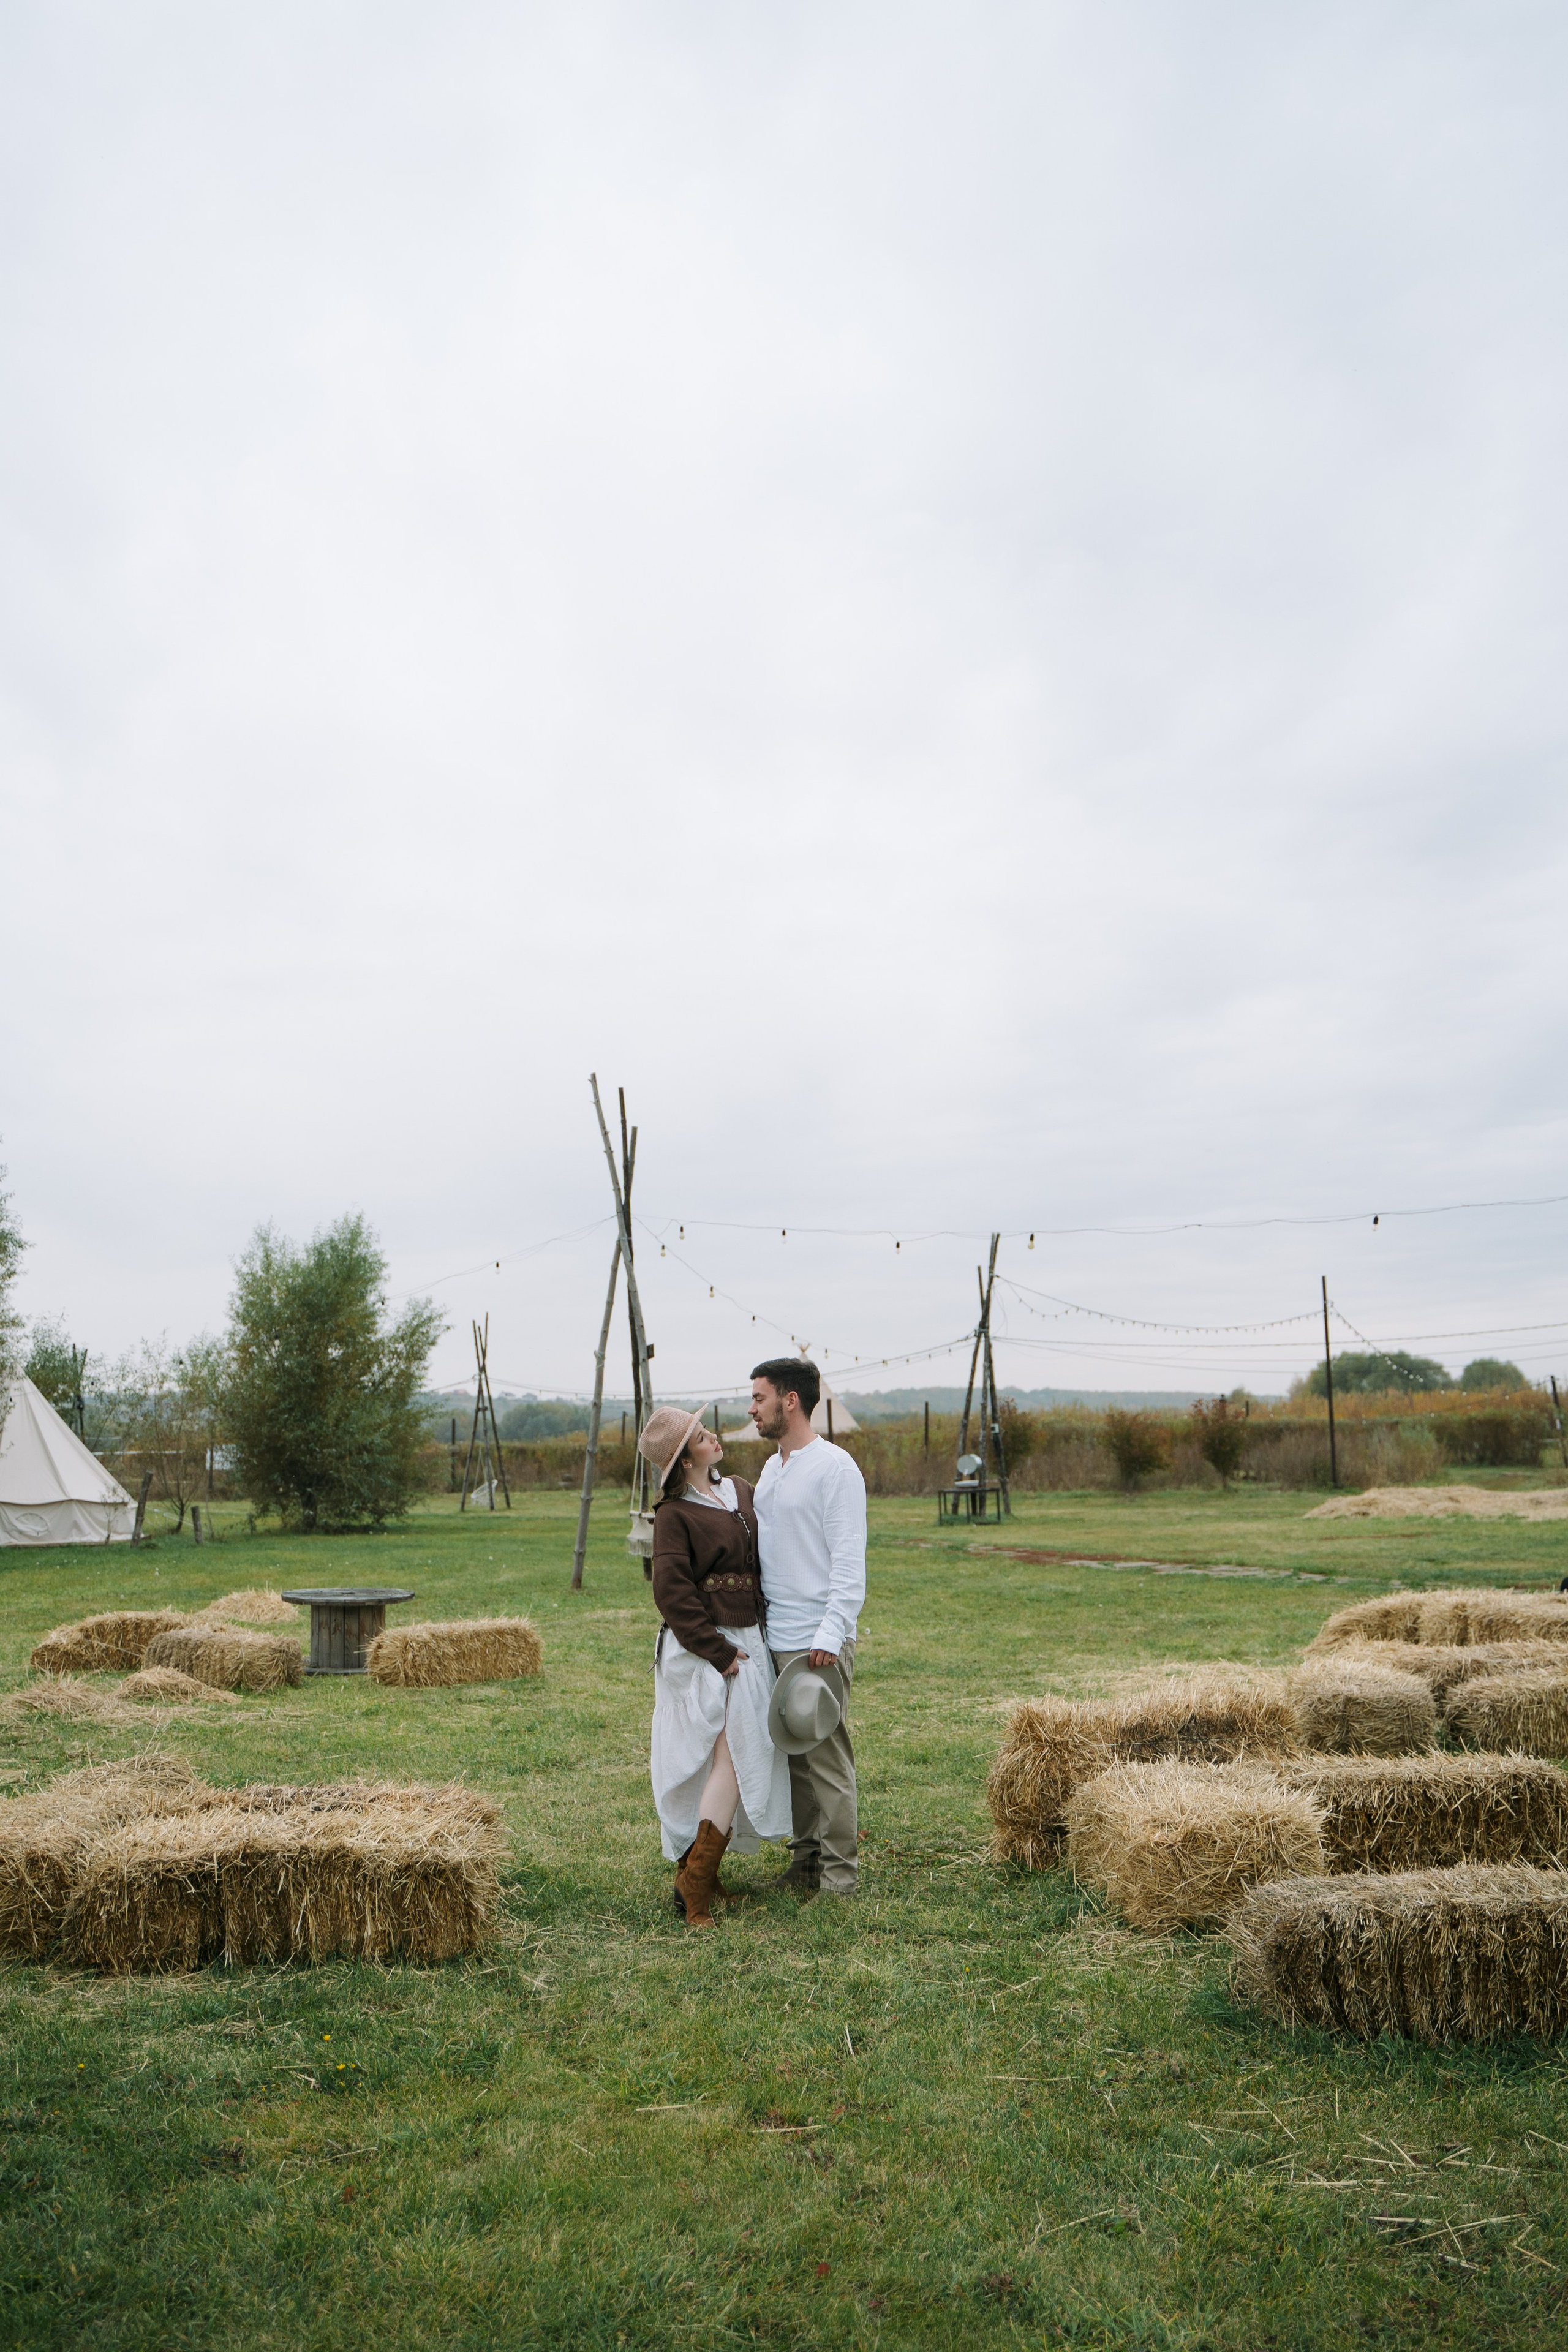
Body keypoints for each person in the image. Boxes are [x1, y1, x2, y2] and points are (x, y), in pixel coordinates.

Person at [642, 1403, 792, 1929]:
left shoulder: (741, 1491)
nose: (715, 1439)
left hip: (748, 1635)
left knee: (732, 1755)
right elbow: (672, 1594)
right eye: (703, 1438)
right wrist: (719, 1651)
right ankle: (696, 1882)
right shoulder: (674, 1515)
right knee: (726, 1757)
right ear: (685, 1461)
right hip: (706, 1649)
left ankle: (700, 1872)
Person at [749, 1358, 867, 1896]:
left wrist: (830, 1633)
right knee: (795, 1760)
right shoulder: (772, 1471)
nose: (753, 1409)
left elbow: (848, 1565)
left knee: (826, 1759)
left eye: (759, 1398)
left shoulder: (835, 1468)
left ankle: (840, 1876)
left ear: (789, 1401)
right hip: (777, 1639)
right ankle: (805, 1864)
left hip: (818, 1641)